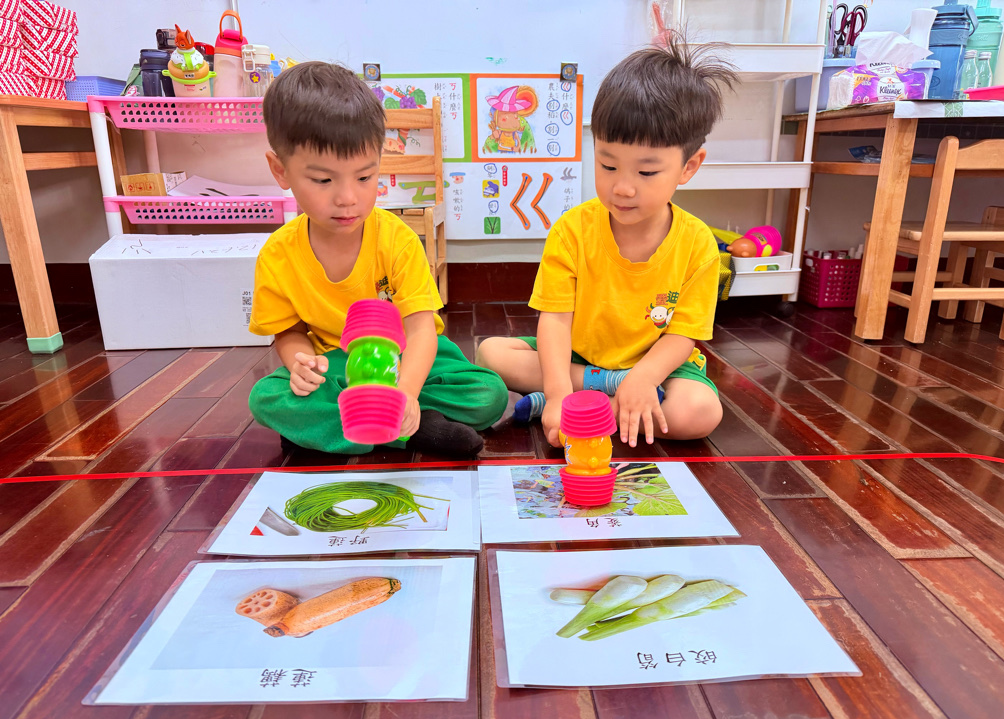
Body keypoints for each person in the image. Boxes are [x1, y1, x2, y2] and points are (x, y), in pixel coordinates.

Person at [476, 36, 735, 448]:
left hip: (657, 369)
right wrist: (558, 393)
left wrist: (643, 379)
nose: (623, 188)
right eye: (607, 165)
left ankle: (599, 402)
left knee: (699, 412)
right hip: (581, 360)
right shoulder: (572, 230)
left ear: (689, 166)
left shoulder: (698, 243)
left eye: (646, 173)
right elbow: (555, 320)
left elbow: (684, 334)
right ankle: (606, 398)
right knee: (491, 353)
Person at [248, 62, 508, 457]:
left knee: (488, 393)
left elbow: (421, 331)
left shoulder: (397, 240)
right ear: (280, 170)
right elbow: (288, 332)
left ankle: (349, 426)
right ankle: (412, 430)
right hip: (337, 368)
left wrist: (407, 392)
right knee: (266, 397)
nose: (347, 198)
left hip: (408, 360)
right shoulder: (277, 255)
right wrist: (301, 363)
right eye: (323, 180)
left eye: (365, 177)